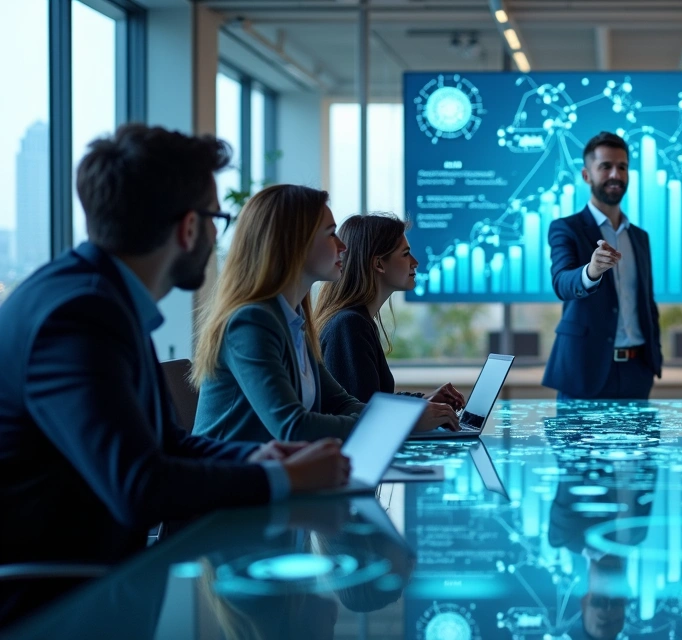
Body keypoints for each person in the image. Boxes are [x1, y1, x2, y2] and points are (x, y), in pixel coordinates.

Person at [0, 125, 348, 626]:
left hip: (100, 587)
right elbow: (139, 483)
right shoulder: (78, 316)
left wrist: (261, 455)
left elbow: (170, 443)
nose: (216, 237)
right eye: (216, 221)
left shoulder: (104, 301)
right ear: (188, 228)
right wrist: (277, 476)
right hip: (56, 606)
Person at [192, 186, 367, 442]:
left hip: (278, 474)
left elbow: (340, 403)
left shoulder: (292, 320)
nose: (343, 247)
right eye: (331, 234)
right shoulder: (250, 322)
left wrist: (406, 419)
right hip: (232, 478)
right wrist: (386, 425)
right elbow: (294, 427)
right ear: (294, 244)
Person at [314, 212, 466, 425]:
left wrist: (423, 402)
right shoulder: (349, 325)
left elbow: (370, 403)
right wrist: (414, 416)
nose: (415, 262)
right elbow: (364, 418)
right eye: (405, 254)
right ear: (379, 264)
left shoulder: (357, 320)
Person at [543, 132, 662, 401]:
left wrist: (654, 360)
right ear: (587, 175)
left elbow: (646, 302)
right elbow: (562, 282)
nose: (615, 175)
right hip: (583, 371)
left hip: (637, 371)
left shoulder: (639, 237)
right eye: (605, 166)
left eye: (622, 167)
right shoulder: (566, 228)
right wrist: (591, 271)